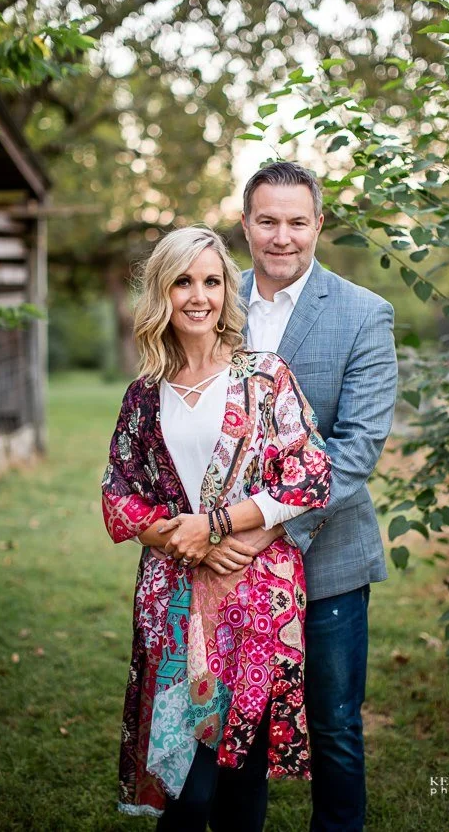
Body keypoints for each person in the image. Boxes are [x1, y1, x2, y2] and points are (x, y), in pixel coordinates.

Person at [101, 226, 331, 830]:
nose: (198, 296)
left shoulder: (265, 376)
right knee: (185, 785)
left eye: (211, 280)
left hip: (256, 596)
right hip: (175, 601)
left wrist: (218, 526)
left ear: (227, 290)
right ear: (162, 293)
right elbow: (119, 494)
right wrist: (183, 540)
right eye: (183, 281)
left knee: (239, 778)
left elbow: (309, 476)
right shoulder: (144, 395)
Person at [208, 162, 398, 832]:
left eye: (296, 221)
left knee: (336, 725)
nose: (281, 236)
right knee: (239, 724)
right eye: (267, 221)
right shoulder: (210, 303)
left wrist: (263, 526)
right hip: (226, 563)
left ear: (318, 224)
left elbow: (355, 451)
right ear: (246, 225)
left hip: (327, 558)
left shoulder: (363, 314)